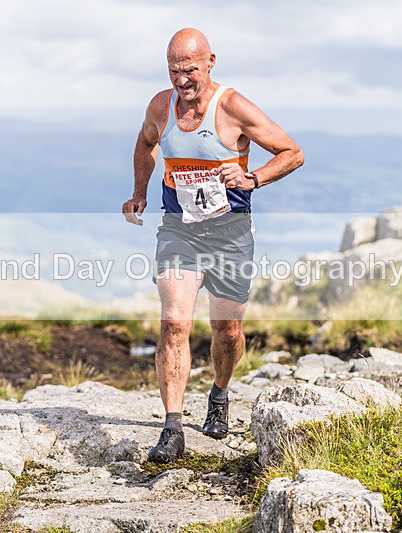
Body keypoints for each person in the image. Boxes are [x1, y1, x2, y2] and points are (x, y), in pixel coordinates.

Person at [121, 28, 304, 463]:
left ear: (210, 62)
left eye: (190, 70)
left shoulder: (233, 107)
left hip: (230, 233)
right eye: (173, 71)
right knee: (173, 322)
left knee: (227, 331)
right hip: (179, 229)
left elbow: (292, 152)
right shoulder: (160, 106)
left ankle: (219, 392)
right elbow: (146, 143)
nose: (182, 81)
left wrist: (253, 178)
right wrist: (140, 192)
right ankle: (172, 427)